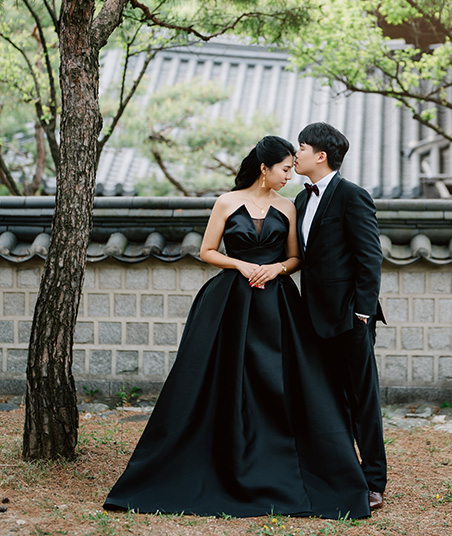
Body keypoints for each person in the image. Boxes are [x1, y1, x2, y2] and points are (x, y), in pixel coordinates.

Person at [105, 136, 370, 519]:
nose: (289, 175)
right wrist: (241, 265)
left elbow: (296, 257)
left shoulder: (288, 207)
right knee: (222, 379)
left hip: (277, 303)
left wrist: (275, 268)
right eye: (284, 169)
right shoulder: (227, 202)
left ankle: (286, 461)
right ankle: (214, 457)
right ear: (264, 168)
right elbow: (207, 251)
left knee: (283, 382)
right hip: (230, 301)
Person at [291, 122, 387, 512]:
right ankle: (338, 473)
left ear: (321, 155)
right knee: (327, 400)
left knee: (362, 399)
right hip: (312, 317)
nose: (295, 154)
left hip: (351, 318)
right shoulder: (299, 201)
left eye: (300, 147)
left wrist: (362, 313)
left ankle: (374, 480)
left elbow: (369, 258)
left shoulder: (352, 196)